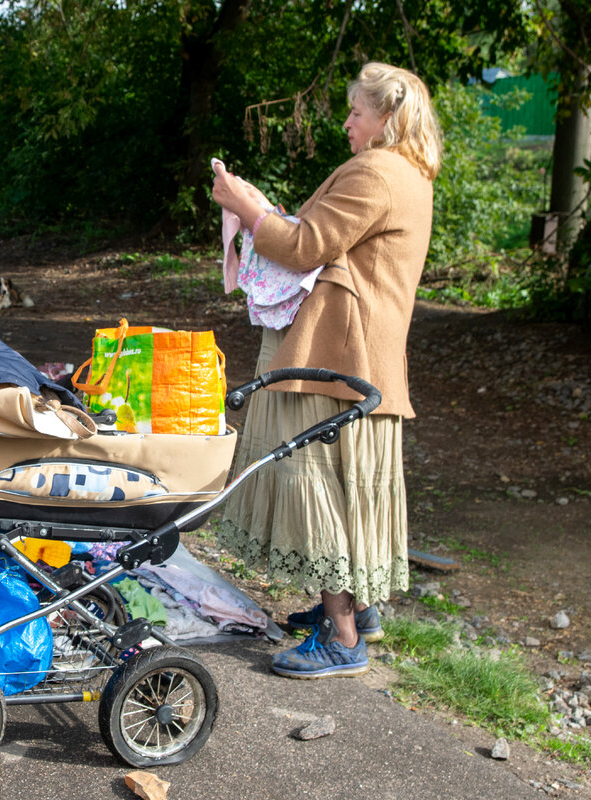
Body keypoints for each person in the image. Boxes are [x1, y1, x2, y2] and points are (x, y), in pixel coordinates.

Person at [210, 62, 442, 679]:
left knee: (312, 484)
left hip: (334, 357)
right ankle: (356, 614)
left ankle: (343, 640)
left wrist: (248, 207)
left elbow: (305, 245)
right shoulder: (411, 176)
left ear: (387, 118)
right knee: (341, 490)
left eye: (357, 112)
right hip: (360, 359)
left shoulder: (377, 171)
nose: (347, 122)